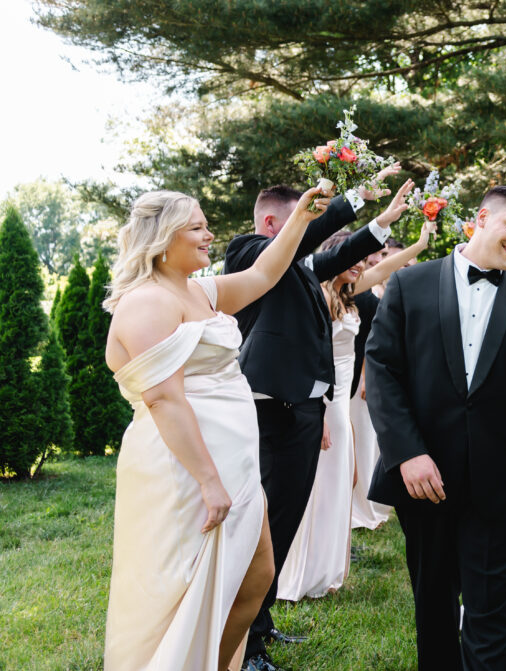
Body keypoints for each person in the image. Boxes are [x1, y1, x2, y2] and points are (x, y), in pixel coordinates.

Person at [103, 186, 328, 670]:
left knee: (256, 576)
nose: (210, 235)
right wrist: (208, 481)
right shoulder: (147, 303)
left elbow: (265, 273)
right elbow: (164, 398)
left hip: (236, 461)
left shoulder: (198, 290)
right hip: (186, 468)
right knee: (187, 590)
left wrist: (302, 218)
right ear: (163, 239)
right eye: (197, 227)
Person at [364, 185, 506, 671]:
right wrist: (408, 454)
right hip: (425, 476)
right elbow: (382, 374)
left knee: (491, 609)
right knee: (434, 605)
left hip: (498, 477)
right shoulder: (408, 284)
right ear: (482, 219)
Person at [225, 171, 412, 671]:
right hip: (272, 412)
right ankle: (242, 647)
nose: (304, 229)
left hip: (306, 412)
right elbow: (305, 242)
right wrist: (342, 202)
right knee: (263, 527)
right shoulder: (247, 252)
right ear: (271, 222)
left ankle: (259, 627)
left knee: (282, 527)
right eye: (299, 217)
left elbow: (335, 258)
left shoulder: (301, 269)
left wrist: (383, 221)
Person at [277, 219, 437, 600]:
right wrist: (314, 410)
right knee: (316, 485)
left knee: (342, 481)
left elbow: (385, 269)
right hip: (321, 398)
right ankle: (296, 572)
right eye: (354, 257)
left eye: (363, 259)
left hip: (340, 402)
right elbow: (299, 354)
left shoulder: (349, 293)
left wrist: (419, 244)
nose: (362, 265)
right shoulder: (314, 291)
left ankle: (325, 569)